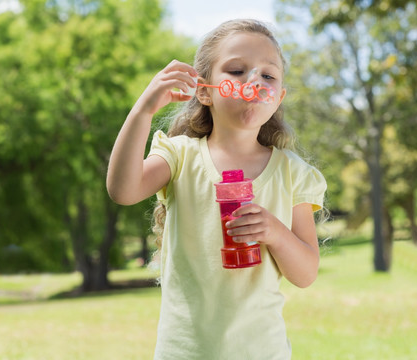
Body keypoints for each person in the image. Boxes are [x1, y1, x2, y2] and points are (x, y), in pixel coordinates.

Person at [107, 18, 327, 360]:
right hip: (184, 352)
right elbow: (123, 190)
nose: (253, 81)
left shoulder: (292, 173)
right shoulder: (179, 155)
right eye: (237, 70)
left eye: (267, 75)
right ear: (205, 91)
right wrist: (144, 108)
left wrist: (276, 232)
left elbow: (306, 273)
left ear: (277, 97)